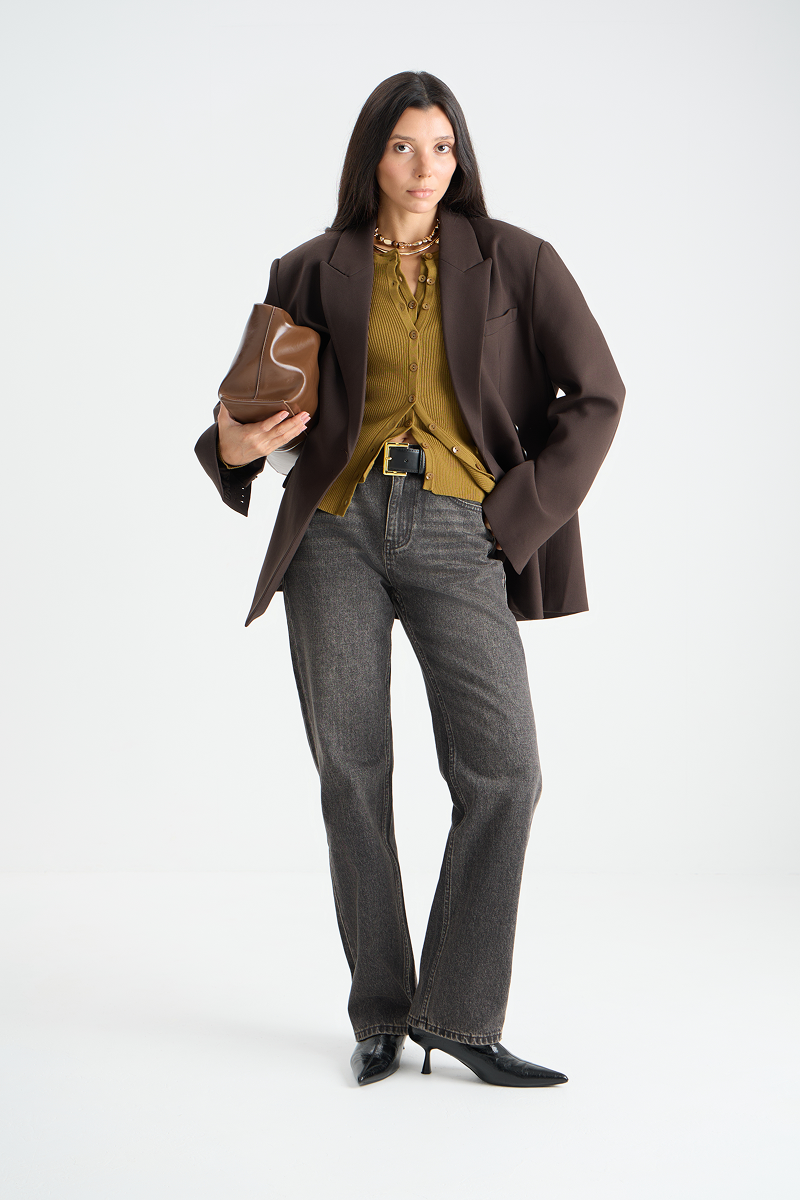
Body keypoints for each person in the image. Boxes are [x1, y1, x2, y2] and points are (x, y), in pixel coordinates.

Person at [195, 71, 625, 1088]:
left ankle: (460, 1015)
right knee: (351, 771)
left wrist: (515, 513)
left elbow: (598, 393)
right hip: (334, 530)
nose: (424, 167)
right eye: (402, 147)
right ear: (371, 158)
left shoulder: (516, 260)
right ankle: (383, 1013)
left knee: (504, 773)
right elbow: (245, 409)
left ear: (458, 157)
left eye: (441, 147)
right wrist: (230, 447)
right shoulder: (310, 267)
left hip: (457, 528)